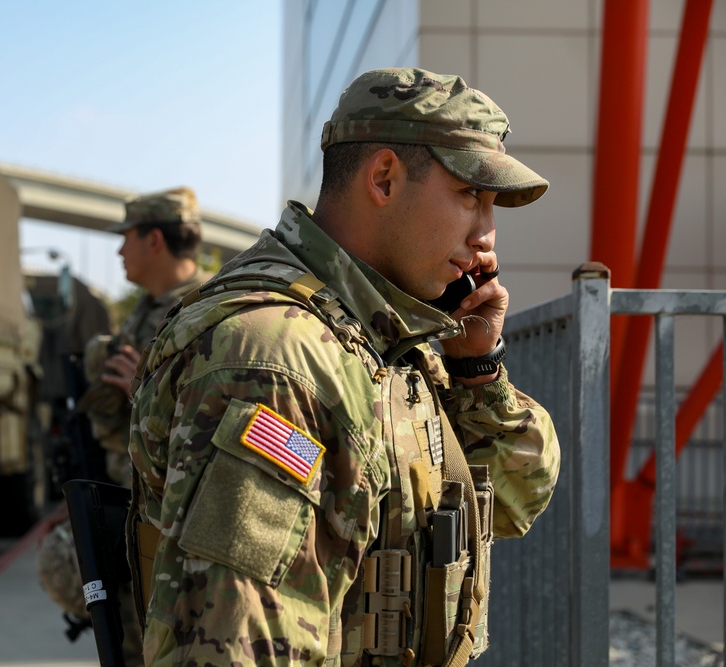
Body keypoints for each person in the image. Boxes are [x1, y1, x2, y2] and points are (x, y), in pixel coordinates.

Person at [126, 68, 561, 666]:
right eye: (470, 196)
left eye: (492, 206)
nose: (487, 237)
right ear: (383, 178)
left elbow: (516, 499)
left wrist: (476, 368)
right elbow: (237, 649)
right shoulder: (278, 359)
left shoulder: (379, 337)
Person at [37, 186, 209, 666]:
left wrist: (145, 390)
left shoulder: (204, 312)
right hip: (126, 504)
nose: (118, 249)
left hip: (170, 518)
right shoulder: (146, 312)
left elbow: (208, 420)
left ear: (154, 240)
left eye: (126, 237)